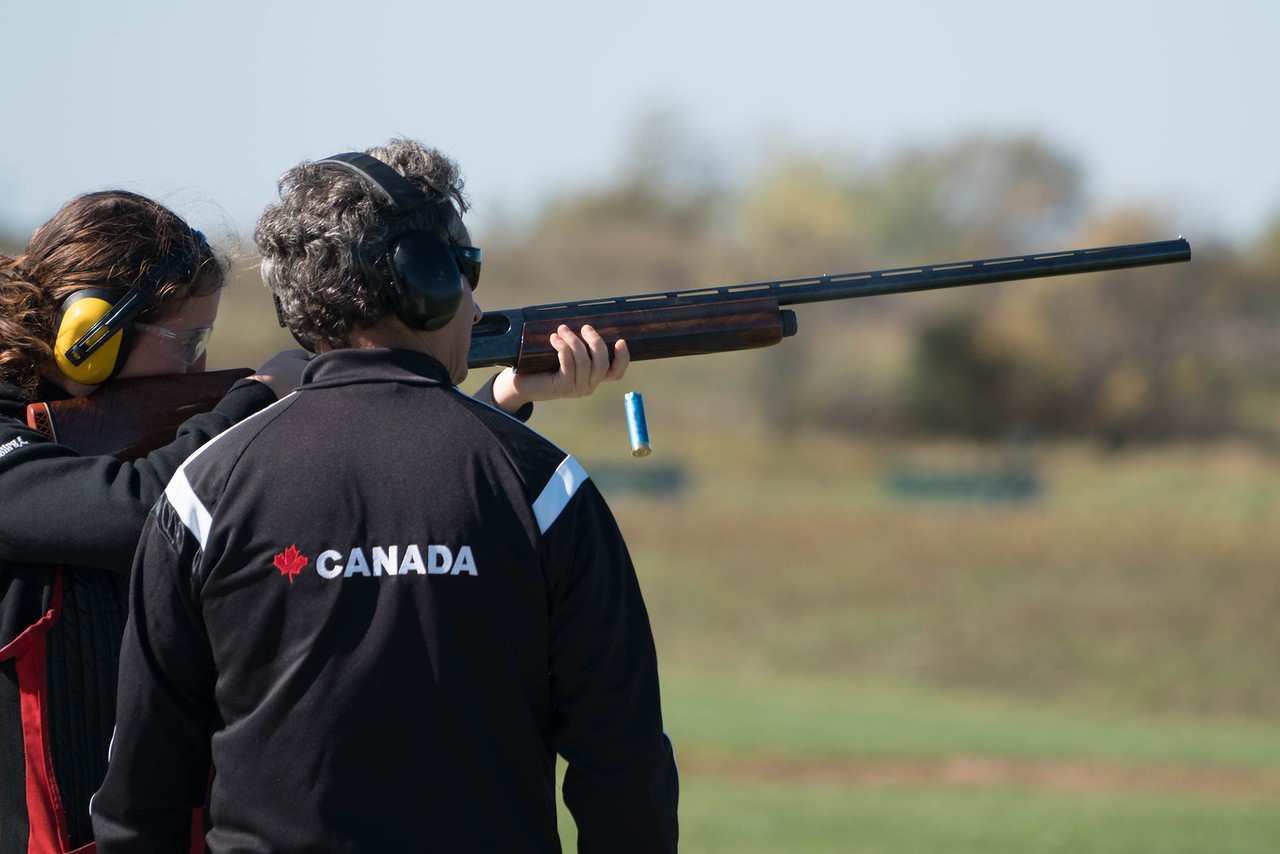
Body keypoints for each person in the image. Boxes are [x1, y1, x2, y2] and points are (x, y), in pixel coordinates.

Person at [91, 140, 679, 852]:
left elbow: (139, 797)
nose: (478, 301)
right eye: (467, 272)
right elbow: (625, 773)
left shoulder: (204, 491)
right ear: (428, 282)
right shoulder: (543, 487)